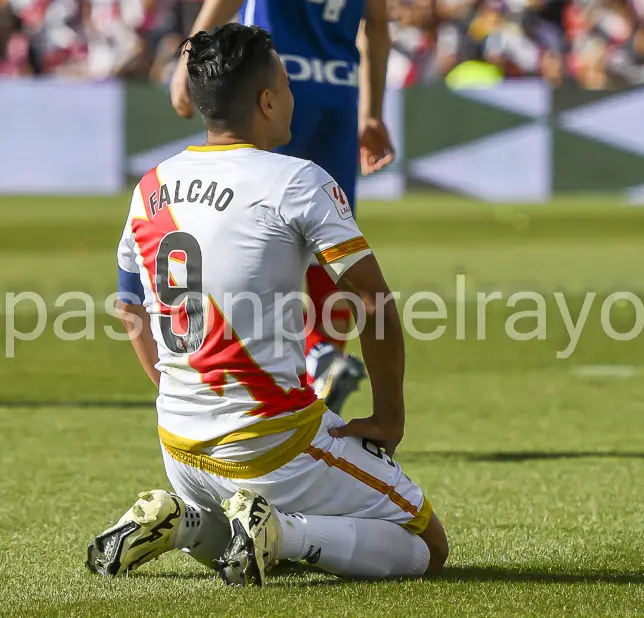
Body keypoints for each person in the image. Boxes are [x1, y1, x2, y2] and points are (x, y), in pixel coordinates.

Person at [87, 24, 448, 586]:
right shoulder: (297, 180)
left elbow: (128, 304)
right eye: (286, 80)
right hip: (270, 443)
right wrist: (390, 416)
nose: (293, 95)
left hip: (177, 441)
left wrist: (174, 391)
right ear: (268, 100)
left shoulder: (150, 185)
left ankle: (179, 522)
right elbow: (374, 304)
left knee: (231, 538)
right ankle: (283, 529)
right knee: (425, 548)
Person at [170, 0, 396, 415]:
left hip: (271, 86)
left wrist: (188, 60)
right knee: (328, 237)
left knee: (254, 226)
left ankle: (265, 372)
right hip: (338, 94)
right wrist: (372, 113)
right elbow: (377, 25)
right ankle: (323, 356)